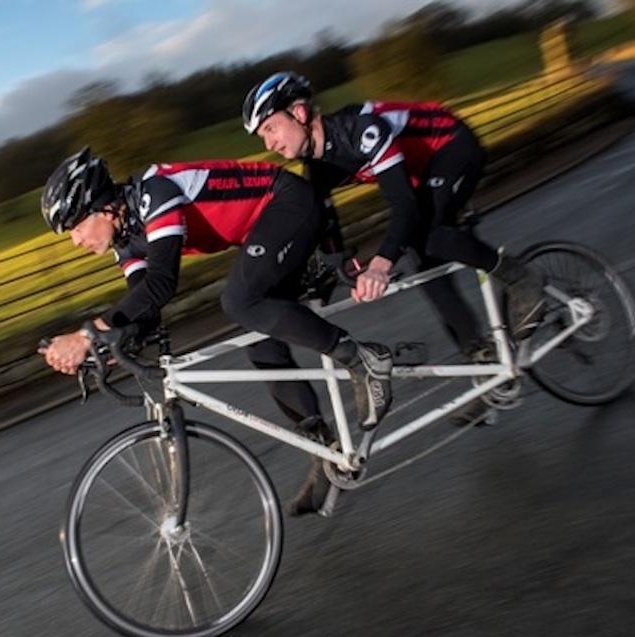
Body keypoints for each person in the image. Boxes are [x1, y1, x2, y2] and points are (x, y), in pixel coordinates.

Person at [38, 147, 393, 513]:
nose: (76, 241)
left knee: (240, 302)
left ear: (104, 207)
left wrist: (85, 335)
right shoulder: (127, 240)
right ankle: (325, 454)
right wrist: (105, 347)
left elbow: (161, 283)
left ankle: (362, 358)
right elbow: (145, 308)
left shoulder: (154, 193)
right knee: (262, 345)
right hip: (262, 233)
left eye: (77, 227)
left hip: (287, 202)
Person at [241, 72, 547, 424]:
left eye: (270, 128)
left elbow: (404, 206)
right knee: (427, 265)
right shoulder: (318, 166)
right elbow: (328, 231)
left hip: (451, 146)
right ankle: (484, 360)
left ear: (299, 113)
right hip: (419, 171)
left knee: (428, 236)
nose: (269, 144)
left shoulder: (362, 130)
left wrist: (381, 263)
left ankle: (521, 278)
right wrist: (339, 270)